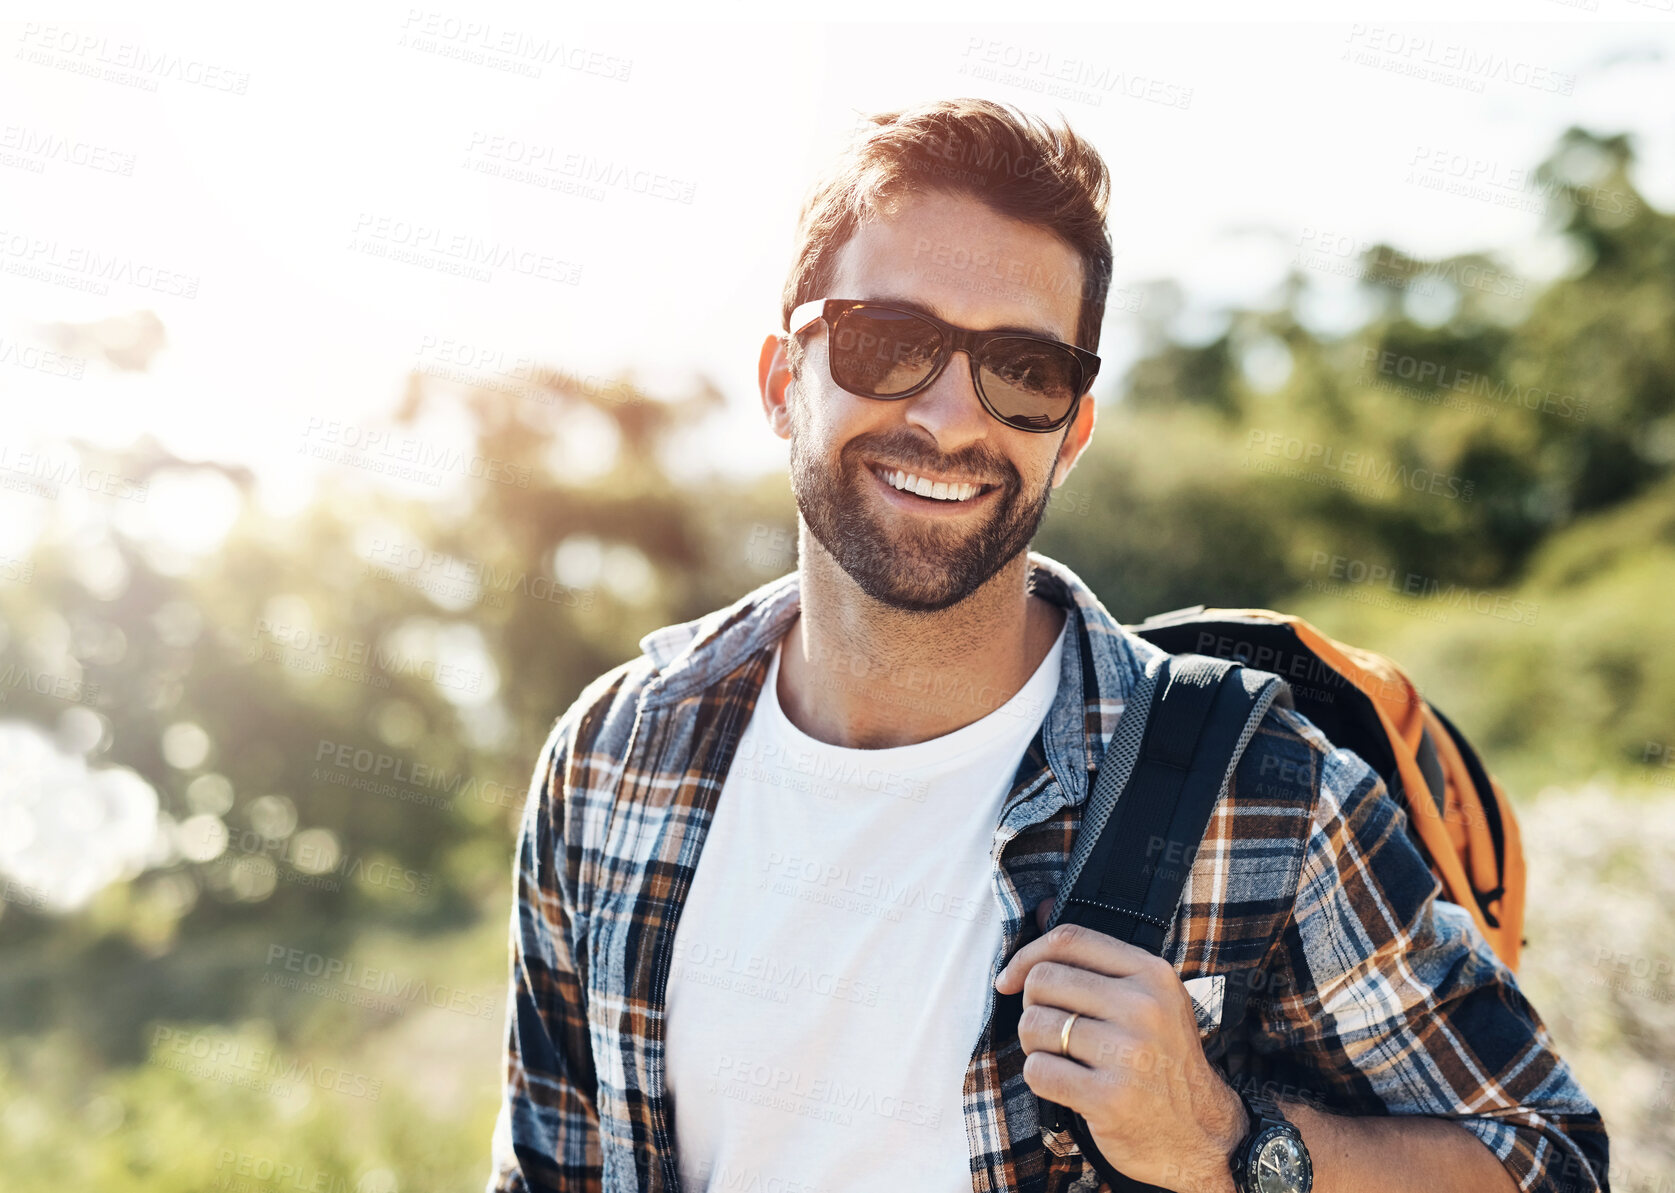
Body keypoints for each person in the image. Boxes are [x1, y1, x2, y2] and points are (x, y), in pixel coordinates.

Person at [486, 98, 1609, 1193]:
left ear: (1071, 432)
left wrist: (1224, 1139)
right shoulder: (615, 754)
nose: (952, 417)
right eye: (891, 343)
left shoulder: (1261, 791)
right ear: (786, 382)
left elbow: (1545, 1159)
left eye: (1024, 370)